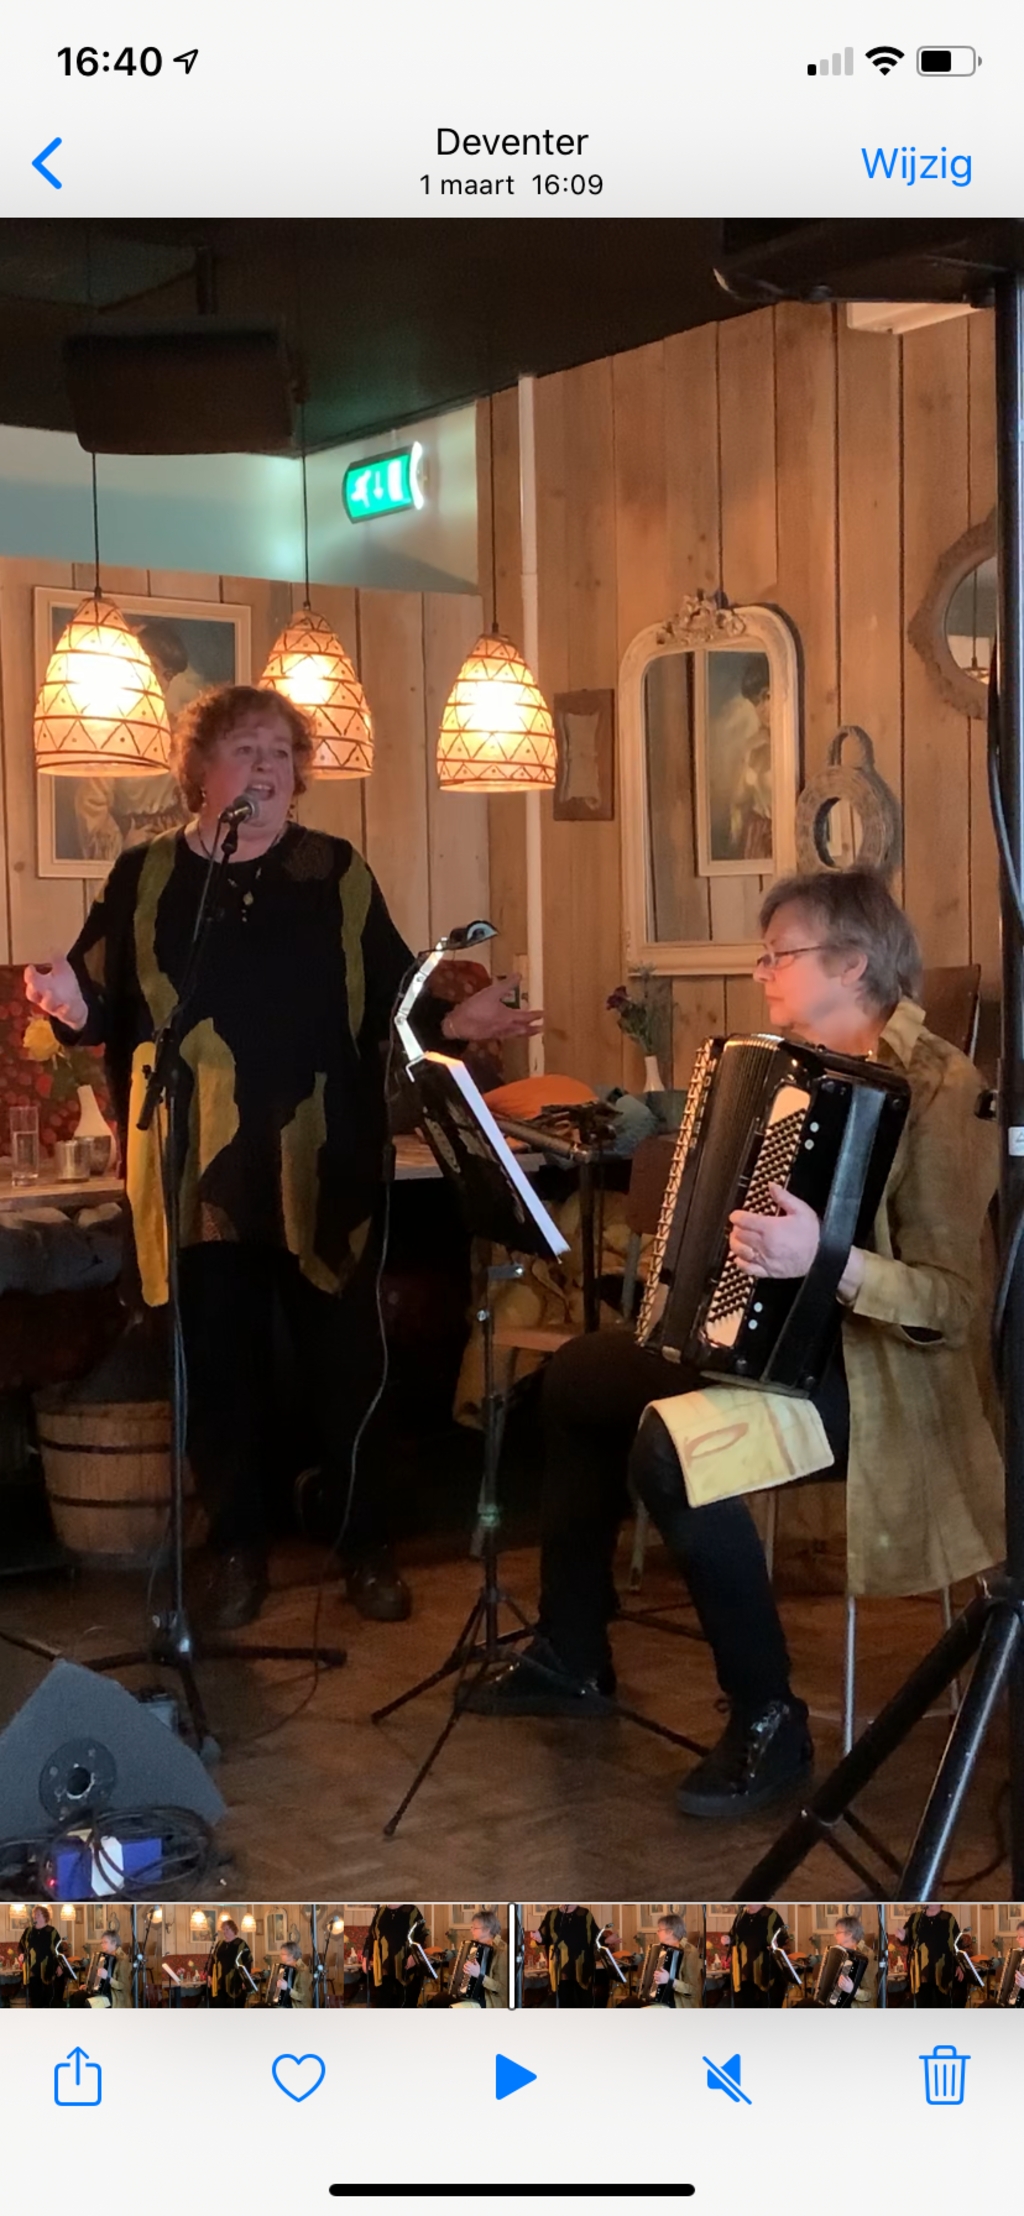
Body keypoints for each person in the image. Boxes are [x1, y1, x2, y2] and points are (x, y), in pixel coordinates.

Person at [479, 869, 1005, 1819]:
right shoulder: (789, 1068)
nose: (762, 970)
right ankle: (573, 1650)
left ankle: (770, 1718)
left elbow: (954, 1306)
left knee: (672, 1447)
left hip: (884, 1383)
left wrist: (827, 1259)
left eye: (781, 953)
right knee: (582, 1374)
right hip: (772, 1346)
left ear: (853, 962)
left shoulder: (942, 1091)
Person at [25, 684, 539, 1631]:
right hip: (197, 1172)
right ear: (200, 773)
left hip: (322, 1161)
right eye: (245, 750)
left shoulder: (336, 872)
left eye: (280, 755)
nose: (266, 769)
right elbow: (101, 1002)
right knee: (219, 1371)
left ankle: (364, 1546)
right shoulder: (143, 877)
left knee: (345, 1364)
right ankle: (235, 1552)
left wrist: (456, 1020)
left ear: (298, 778)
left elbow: (396, 996)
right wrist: (62, 999)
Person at [534, 1905, 602, 2009]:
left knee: (583, 2004)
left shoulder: (585, 1914)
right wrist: (538, 1938)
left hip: (582, 1971)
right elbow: (543, 1936)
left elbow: (596, 1936)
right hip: (560, 1972)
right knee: (563, 2004)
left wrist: (606, 1940)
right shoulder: (551, 1915)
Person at [361, 1905, 430, 2009]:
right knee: (383, 2004)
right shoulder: (380, 1912)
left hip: (407, 1969)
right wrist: (366, 1957)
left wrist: (414, 1956)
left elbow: (422, 1935)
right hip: (384, 1970)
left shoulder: (412, 1910)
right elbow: (371, 1936)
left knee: (406, 2005)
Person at [729, 1904, 795, 2009]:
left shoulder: (771, 1915)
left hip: (766, 1973)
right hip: (744, 1975)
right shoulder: (741, 1916)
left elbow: (784, 1939)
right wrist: (727, 1939)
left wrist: (777, 1944)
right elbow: (733, 1936)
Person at [897, 1906, 962, 2007]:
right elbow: (906, 1939)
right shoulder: (916, 1918)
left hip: (942, 1976)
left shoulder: (949, 1919)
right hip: (919, 1977)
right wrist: (902, 1937)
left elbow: (958, 1945)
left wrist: (960, 1966)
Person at [446, 1910, 507, 2009]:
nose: (471, 1930)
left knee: (442, 2002)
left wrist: (479, 1975)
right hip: (475, 1996)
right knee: (438, 1999)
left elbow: (503, 1989)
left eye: (474, 1927)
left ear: (487, 1930)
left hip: (491, 2001)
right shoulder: (476, 1947)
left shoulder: (502, 1951)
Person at [642, 1911, 701, 2009]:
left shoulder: (689, 1952)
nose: (657, 1933)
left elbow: (693, 1990)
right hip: (660, 1999)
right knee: (628, 2003)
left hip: (679, 2004)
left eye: (659, 1930)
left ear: (670, 1932)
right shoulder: (661, 1950)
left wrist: (670, 1981)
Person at [18, 1907, 68, 2009]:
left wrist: (60, 1966)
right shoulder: (29, 1931)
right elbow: (21, 1946)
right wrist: (21, 1954)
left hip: (48, 1971)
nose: (35, 1916)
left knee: (48, 1999)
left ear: (45, 1916)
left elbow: (60, 1951)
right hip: (32, 1972)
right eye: (34, 1914)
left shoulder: (52, 1931)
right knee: (35, 2000)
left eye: (38, 1914)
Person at [69, 1931, 130, 2010]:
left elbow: (124, 1986)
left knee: (88, 2003)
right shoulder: (105, 1957)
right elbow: (99, 1981)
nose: (102, 1945)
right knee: (76, 1996)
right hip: (103, 1993)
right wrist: (88, 1987)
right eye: (102, 1943)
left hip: (115, 1996)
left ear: (114, 1943)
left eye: (105, 1942)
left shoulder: (123, 1960)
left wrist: (107, 1977)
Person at [205, 1918, 255, 2008]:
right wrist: (209, 1975)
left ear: (233, 1929)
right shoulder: (219, 1944)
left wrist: (246, 1980)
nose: (224, 1931)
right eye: (223, 1929)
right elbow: (213, 1960)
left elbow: (248, 1962)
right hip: (220, 1981)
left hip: (236, 1981)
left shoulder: (241, 1944)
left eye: (227, 1929)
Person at [266, 1940, 312, 2008]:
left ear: (291, 1955)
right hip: (289, 2003)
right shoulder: (288, 1968)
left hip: (298, 2007)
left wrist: (287, 1988)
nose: (280, 1956)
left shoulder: (303, 1971)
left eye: (283, 1954)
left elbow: (302, 1997)